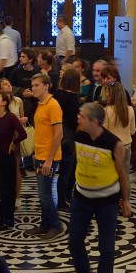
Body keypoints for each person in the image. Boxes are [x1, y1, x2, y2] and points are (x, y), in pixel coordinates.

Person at [69, 102, 132, 273]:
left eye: (82, 116)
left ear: (94, 121)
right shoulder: (79, 135)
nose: (78, 118)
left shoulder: (114, 144)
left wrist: (125, 200)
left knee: (106, 248)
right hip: (81, 197)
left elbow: (121, 173)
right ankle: (84, 272)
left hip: (107, 201)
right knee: (74, 242)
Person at [0, 92, 26, 229]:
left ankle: (9, 217)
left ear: (4, 102)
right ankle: (1, 215)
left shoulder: (11, 117)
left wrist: (13, 142)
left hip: (6, 157)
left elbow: (23, 134)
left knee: (7, 188)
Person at [31, 73, 64, 238]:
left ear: (46, 86)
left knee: (45, 195)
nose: (33, 88)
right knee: (43, 194)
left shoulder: (53, 105)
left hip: (48, 157)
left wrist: (49, 159)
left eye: (36, 85)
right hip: (40, 154)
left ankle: (55, 226)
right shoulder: (41, 104)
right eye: (32, 85)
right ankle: (45, 225)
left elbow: (59, 134)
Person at [54, 69, 81, 210]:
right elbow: (73, 121)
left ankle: (62, 199)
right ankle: (63, 200)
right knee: (67, 170)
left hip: (56, 135)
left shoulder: (57, 94)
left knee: (61, 170)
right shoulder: (72, 98)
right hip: (68, 138)